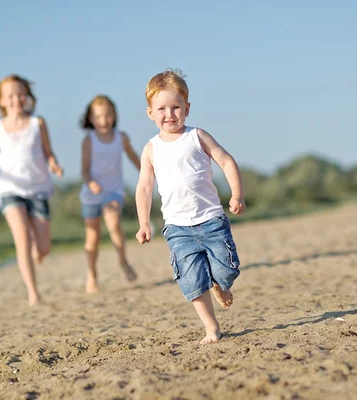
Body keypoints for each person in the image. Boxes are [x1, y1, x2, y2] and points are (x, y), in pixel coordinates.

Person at [134, 70, 245, 344]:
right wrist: (144, 223)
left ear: (187, 108)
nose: (169, 114)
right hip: (177, 227)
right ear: (150, 113)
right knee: (192, 280)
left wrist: (237, 194)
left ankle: (219, 284)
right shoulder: (151, 149)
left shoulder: (197, 136)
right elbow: (145, 187)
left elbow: (227, 161)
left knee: (226, 269)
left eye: (176, 107)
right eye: (161, 108)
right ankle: (211, 327)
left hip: (210, 219)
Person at [0, 74, 63, 306]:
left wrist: (54, 164)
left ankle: (38, 251)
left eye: (21, 94)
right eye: (11, 96)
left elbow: (48, 152)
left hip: (37, 189)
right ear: (2, 100)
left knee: (43, 247)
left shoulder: (38, 124)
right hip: (8, 188)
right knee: (22, 237)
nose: (17, 99)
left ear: (28, 97)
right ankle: (33, 293)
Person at [79, 95, 141, 293]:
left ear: (114, 115)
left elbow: (134, 158)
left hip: (113, 191)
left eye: (107, 116)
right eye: (97, 117)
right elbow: (85, 170)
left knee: (113, 223)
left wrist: (148, 172)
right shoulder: (88, 141)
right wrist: (91, 182)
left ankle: (123, 261)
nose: (103, 121)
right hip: (91, 194)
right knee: (93, 238)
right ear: (90, 119)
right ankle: (92, 275)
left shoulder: (120, 138)